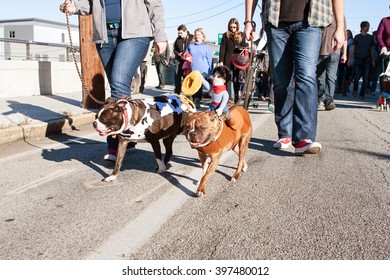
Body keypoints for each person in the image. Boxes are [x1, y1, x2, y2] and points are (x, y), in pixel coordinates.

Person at [60, 0, 168, 162]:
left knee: (118, 83)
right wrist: (75, 6)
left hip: (135, 34)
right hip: (105, 37)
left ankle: (115, 142)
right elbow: (91, 4)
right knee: (120, 88)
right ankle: (128, 134)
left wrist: (160, 35)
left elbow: (154, 5)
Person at [245, 0, 345, 154]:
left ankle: (304, 138)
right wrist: (248, 21)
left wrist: (340, 27)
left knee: (306, 76)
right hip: (276, 22)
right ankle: (285, 133)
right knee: (280, 81)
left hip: (310, 22)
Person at [317, 15, 347, 111]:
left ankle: (329, 100)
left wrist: (345, 54)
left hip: (334, 51)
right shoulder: (319, 12)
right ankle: (320, 98)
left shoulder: (340, 16)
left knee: (331, 77)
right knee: (320, 78)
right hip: (319, 51)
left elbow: (344, 36)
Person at [218, 18, 247, 102]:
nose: (233, 29)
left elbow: (245, 47)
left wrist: (242, 51)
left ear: (237, 27)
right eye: (231, 27)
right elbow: (222, 48)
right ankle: (228, 98)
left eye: (234, 27)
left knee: (236, 79)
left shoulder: (241, 35)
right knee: (227, 79)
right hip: (228, 60)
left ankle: (236, 96)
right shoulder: (225, 35)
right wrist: (221, 60)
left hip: (237, 60)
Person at [185, 28, 213, 109]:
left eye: (199, 35)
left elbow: (210, 60)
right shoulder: (191, 45)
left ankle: (197, 101)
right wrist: (187, 57)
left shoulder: (206, 46)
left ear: (203, 36)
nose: (197, 36)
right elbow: (186, 54)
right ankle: (193, 101)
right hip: (193, 68)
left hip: (203, 69)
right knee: (193, 85)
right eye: (196, 35)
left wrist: (210, 72)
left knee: (199, 86)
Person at [347, 21, 375, 99]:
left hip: (367, 60)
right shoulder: (357, 37)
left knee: (366, 78)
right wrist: (350, 58)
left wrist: (373, 60)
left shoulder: (371, 37)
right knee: (357, 76)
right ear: (362, 27)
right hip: (358, 59)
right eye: (366, 26)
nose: (368, 27)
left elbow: (372, 49)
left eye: (368, 26)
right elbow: (352, 48)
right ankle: (355, 89)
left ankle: (362, 94)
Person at [173, 25, 193, 94]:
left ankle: (186, 92)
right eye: (178, 33)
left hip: (188, 60)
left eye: (181, 33)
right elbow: (174, 50)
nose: (179, 34)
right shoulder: (178, 39)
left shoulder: (191, 38)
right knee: (177, 75)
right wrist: (178, 54)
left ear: (185, 31)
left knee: (187, 76)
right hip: (179, 60)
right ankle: (177, 91)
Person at [336, 29, 354, 96]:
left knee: (347, 75)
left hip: (349, 59)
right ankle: (339, 87)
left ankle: (345, 89)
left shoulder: (352, 42)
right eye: (346, 33)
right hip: (341, 59)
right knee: (340, 74)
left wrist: (351, 60)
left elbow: (353, 52)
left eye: (349, 33)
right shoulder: (341, 41)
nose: (347, 34)